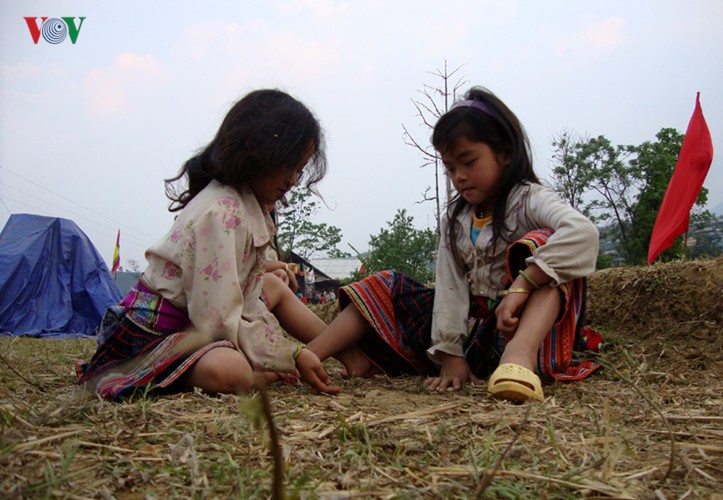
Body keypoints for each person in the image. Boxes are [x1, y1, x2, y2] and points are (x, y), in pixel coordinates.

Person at [306, 86, 602, 402]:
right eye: (450, 167)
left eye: (469, 161)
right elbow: (449, 285)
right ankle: (310, 356)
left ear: (505, 153)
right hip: (473, 337)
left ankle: (519, 359)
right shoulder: (455, 218)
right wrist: (450, 353)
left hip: (519, 330)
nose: (459, 176)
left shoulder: (529, 199)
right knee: (388, 284)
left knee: (542, 244)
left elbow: (583, 235)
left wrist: (524, 284)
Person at [77, 89, 340, 401]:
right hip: (154, 335)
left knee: (272, 286)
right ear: (258, 150)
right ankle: (244, 374)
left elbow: (248, 296)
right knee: (232, 371)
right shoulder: (222, 213)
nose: (294, 180)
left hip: (198, 322)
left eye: (300, 169)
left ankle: (346, 353)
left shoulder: (249, 209)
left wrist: (286, 352)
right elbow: (217, 318)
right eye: (289, 166)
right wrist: (287, 354)